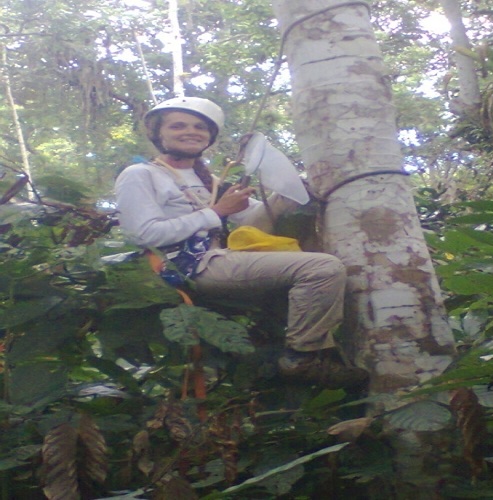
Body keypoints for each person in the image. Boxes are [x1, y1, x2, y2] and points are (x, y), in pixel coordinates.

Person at [115, 96, 367, 389]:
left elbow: (251, 221)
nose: (191, 131)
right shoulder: (141, 174)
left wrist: (283, 196)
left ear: (210, 136)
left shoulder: (209, 180)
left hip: (217, 259)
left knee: (321, 265)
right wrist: (216, 212)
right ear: (159, 133)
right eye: (178, 126)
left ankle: (328, 352)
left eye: (200, 127)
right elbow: (143, 234)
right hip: (182, 265)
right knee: (322, 269)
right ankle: (304, 356)